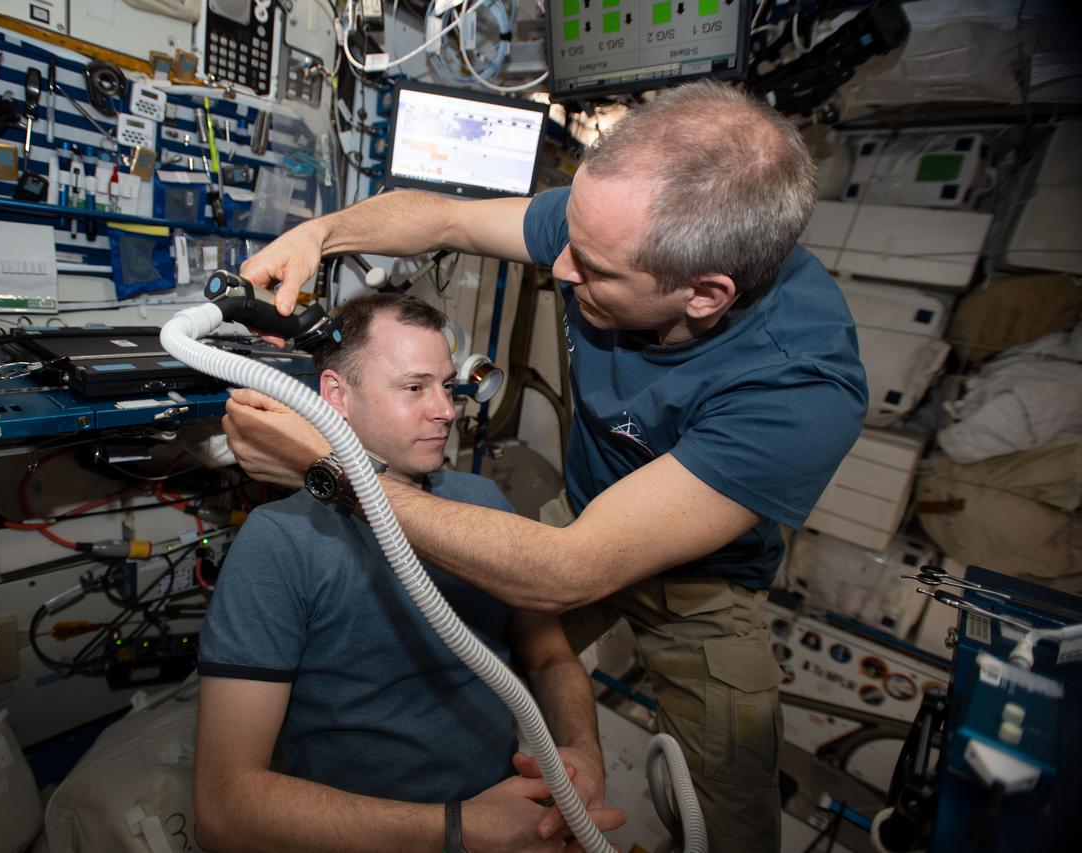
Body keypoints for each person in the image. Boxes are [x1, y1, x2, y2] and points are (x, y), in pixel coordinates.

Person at [222, 81, 868, 852]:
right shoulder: (617, 221)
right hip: (585, 513)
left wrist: (335, 466)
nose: (558, 267)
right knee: (482, 654)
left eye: (591, 268)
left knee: (730, 805)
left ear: (705, 294)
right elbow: (448, 216)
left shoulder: (800, 387)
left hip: (705, 581)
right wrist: (322, 234)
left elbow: (566, 572)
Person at [194, 293, 624, 852]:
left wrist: (583, 752)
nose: (446, 409)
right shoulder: (280, 542)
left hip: (516, 813)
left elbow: (549, 656)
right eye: (414, 387)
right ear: (336, 397)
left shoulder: (482, 501)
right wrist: (459, 828)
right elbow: (224, 810)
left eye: (447, 385)